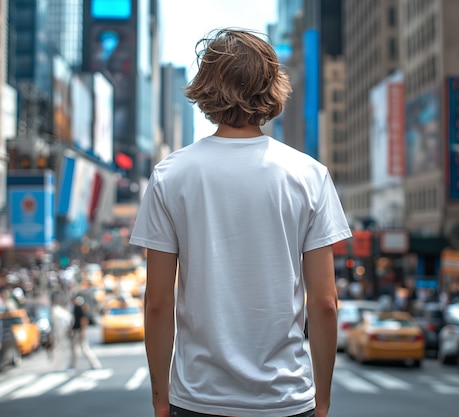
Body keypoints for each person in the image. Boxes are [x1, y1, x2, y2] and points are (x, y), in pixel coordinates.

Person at [130, 29, 351, 417]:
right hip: (286, 400)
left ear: (205, 88)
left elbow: (158, 302)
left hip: (197, 399)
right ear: (271, 88)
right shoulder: (309, 175)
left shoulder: (170, 175)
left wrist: (159, 397)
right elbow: (324, 303)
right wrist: (323, 399)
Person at [68, 295, 101, 371]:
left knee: (83, 348)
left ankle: (94, 363)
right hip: (77, 330)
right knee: (76, 348)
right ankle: (73, 365)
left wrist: (82, 330)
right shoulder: (77, 307)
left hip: (78, 331)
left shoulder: (79, 307)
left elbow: (83, 319)